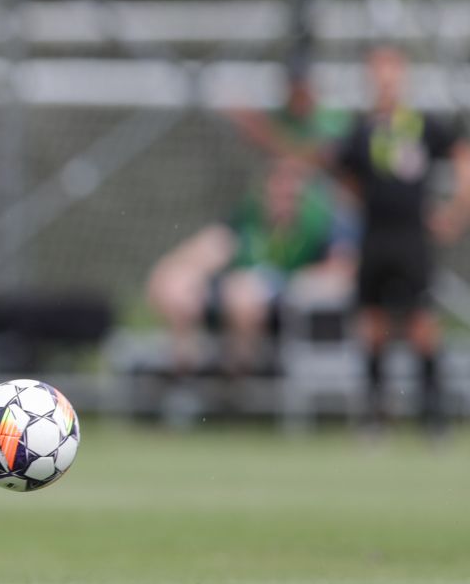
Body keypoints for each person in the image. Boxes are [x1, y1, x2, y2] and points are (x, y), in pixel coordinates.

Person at [326, 45, 470, 435]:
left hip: (412, 239)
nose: (385, 81)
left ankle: (434, 418)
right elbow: (343, 175)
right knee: (372, 326)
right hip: (374, 237)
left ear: (403, 76)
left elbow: (462, 155)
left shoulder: (421, 125)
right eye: (378, 72)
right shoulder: (361, 130)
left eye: (391, 72)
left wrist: (456, 210)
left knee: (422, 325)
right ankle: (375, 418)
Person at [147, 157, 355, 379]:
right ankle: (183, 368)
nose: (282, 197)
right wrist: (175, 269)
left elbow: (342, 266)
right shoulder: (247, 221)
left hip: (288, 305)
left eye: (290, 192)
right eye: (277, 188)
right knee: (178, 285)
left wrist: (300, 282)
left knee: (244, 295)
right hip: (235, 294)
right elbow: (212, 245)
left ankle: (241, 373)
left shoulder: (320, 226)